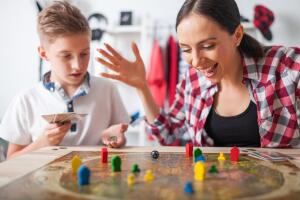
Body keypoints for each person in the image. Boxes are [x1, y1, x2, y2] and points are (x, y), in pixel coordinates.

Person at [96, 0, 300, 148]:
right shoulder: (192, 81)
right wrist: (142, 86)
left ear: (237, 35)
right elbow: (167, 135)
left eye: (208, 46)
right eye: (185, 49)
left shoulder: (286, 66)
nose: (195, 61)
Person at [0, 1, 130, 159]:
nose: (78, 65)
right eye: (66, 56)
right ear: (44, 54)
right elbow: (11, 160)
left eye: (84, 54)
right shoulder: (26, 100)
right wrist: (41, 143)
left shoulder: (107, 89)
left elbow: (118, 139)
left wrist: (115, 139)